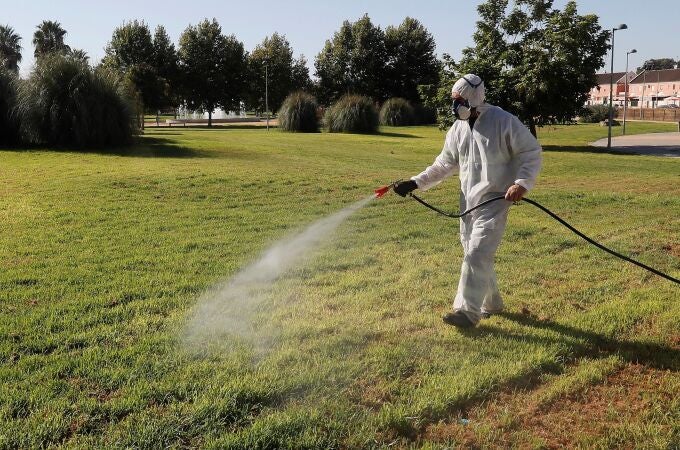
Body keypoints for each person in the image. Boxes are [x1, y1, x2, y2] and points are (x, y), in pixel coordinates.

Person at [393, 74, 542, 328]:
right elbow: (444, 164)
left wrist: (521, 183)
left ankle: (466, 311)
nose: (455, 105)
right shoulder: (457, 129)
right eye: (453, 100)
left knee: (476, 252)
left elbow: (530, 152)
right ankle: (491, 303)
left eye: (459, 100)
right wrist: (415, 182)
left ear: (474, 98)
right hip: (468, 202)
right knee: (475, 252)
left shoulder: (503, 121)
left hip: (495, 198)